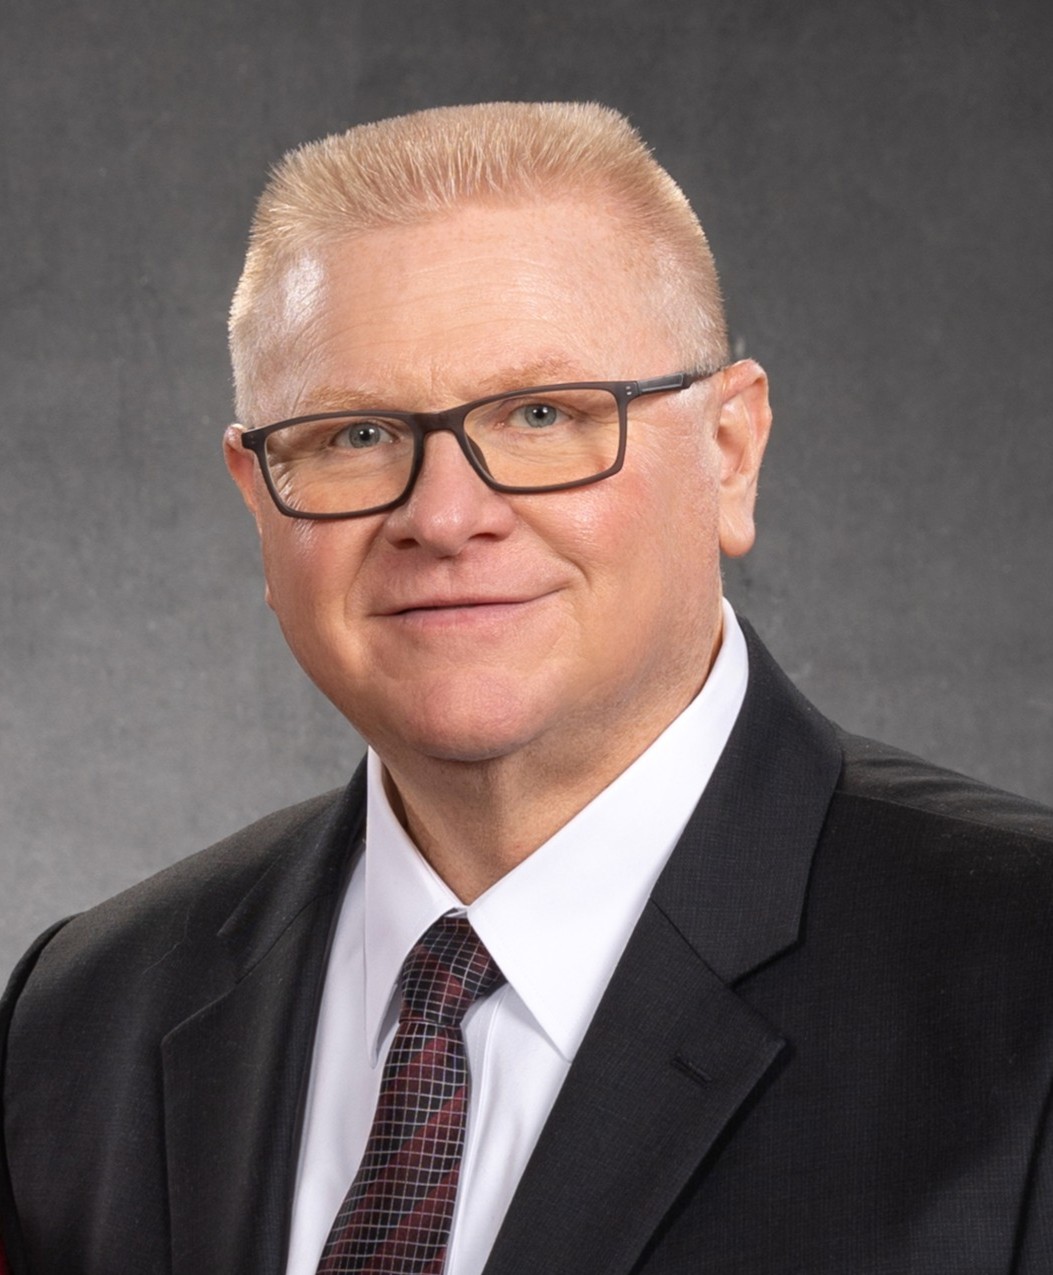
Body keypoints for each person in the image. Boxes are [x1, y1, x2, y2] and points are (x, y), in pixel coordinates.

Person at [2, 101, 1052, 1275]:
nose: (445, 517)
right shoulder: (82, 1020)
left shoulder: (1021, 983)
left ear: (729, 452)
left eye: (543, 415)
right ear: (259, 499)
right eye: (353, 436)